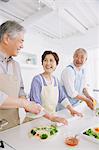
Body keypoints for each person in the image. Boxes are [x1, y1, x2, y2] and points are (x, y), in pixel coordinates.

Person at [0, 20, 42, 131]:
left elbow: (20, 90)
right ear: (6, 39)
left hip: (12, 125)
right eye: (21, 41)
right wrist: (24, 103)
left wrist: (29, 105)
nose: (22, 46)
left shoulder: (16, 65)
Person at [30, 50, 82, 124]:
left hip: (51, 119)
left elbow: (62, 98)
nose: (48, 63)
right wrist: (52, 118)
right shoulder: (37, 80)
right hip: (36, 119)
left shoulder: (56, 80)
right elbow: (36, 104)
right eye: (45, 60)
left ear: (56, 64)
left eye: (51, 60)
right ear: (42, 63)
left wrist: (72, 110)